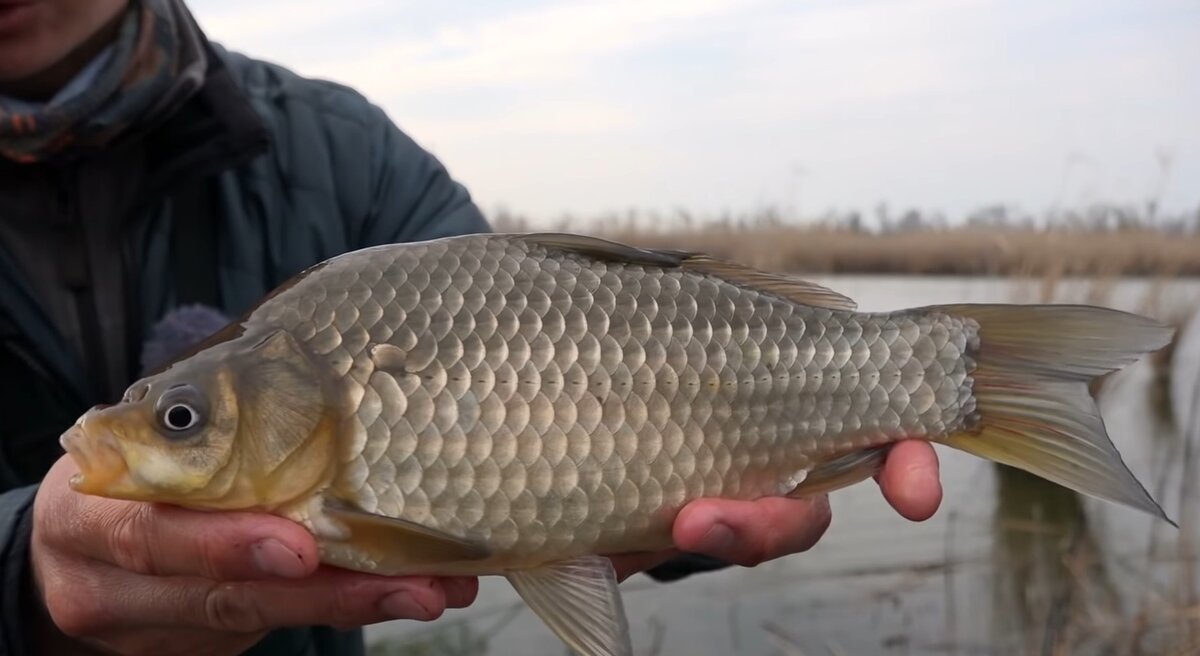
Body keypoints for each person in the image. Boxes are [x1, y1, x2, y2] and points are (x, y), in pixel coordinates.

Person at [0, 1, 945, 654]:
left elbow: (565, 387)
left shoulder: (346, 156)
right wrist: (19, 578)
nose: (169, 431)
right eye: (183, 421)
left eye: (182, 418)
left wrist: (684, 512)